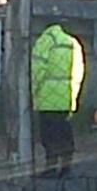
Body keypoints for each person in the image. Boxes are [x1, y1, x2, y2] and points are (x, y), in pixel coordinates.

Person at [31, 24, 85, 177]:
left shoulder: (46, 40)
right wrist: (74, 95)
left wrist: (34, 91)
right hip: (67, 98)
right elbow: (79, 71)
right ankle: (66, 168)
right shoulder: (73, 43)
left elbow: (37, 69)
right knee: (65, 135)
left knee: (49, 137)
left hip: (47, 99)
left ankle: (50, 168)